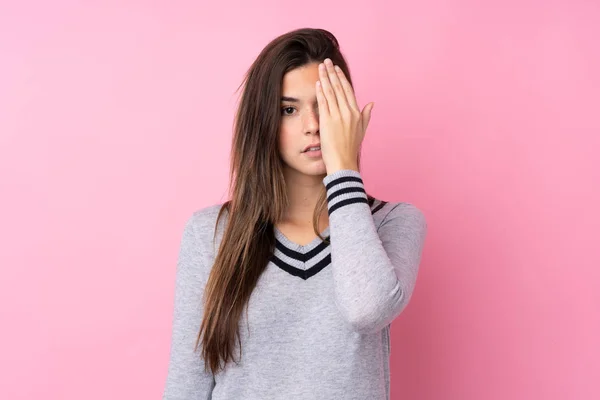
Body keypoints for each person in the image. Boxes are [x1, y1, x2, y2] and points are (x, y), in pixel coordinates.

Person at [162, 27, 427, 400]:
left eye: (326, 107)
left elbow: (368, 309)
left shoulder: (393, 222)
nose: (314, 126)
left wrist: (344, 170)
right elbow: (187, 384)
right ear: (264, 122)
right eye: (289, 109)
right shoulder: (211, 233)